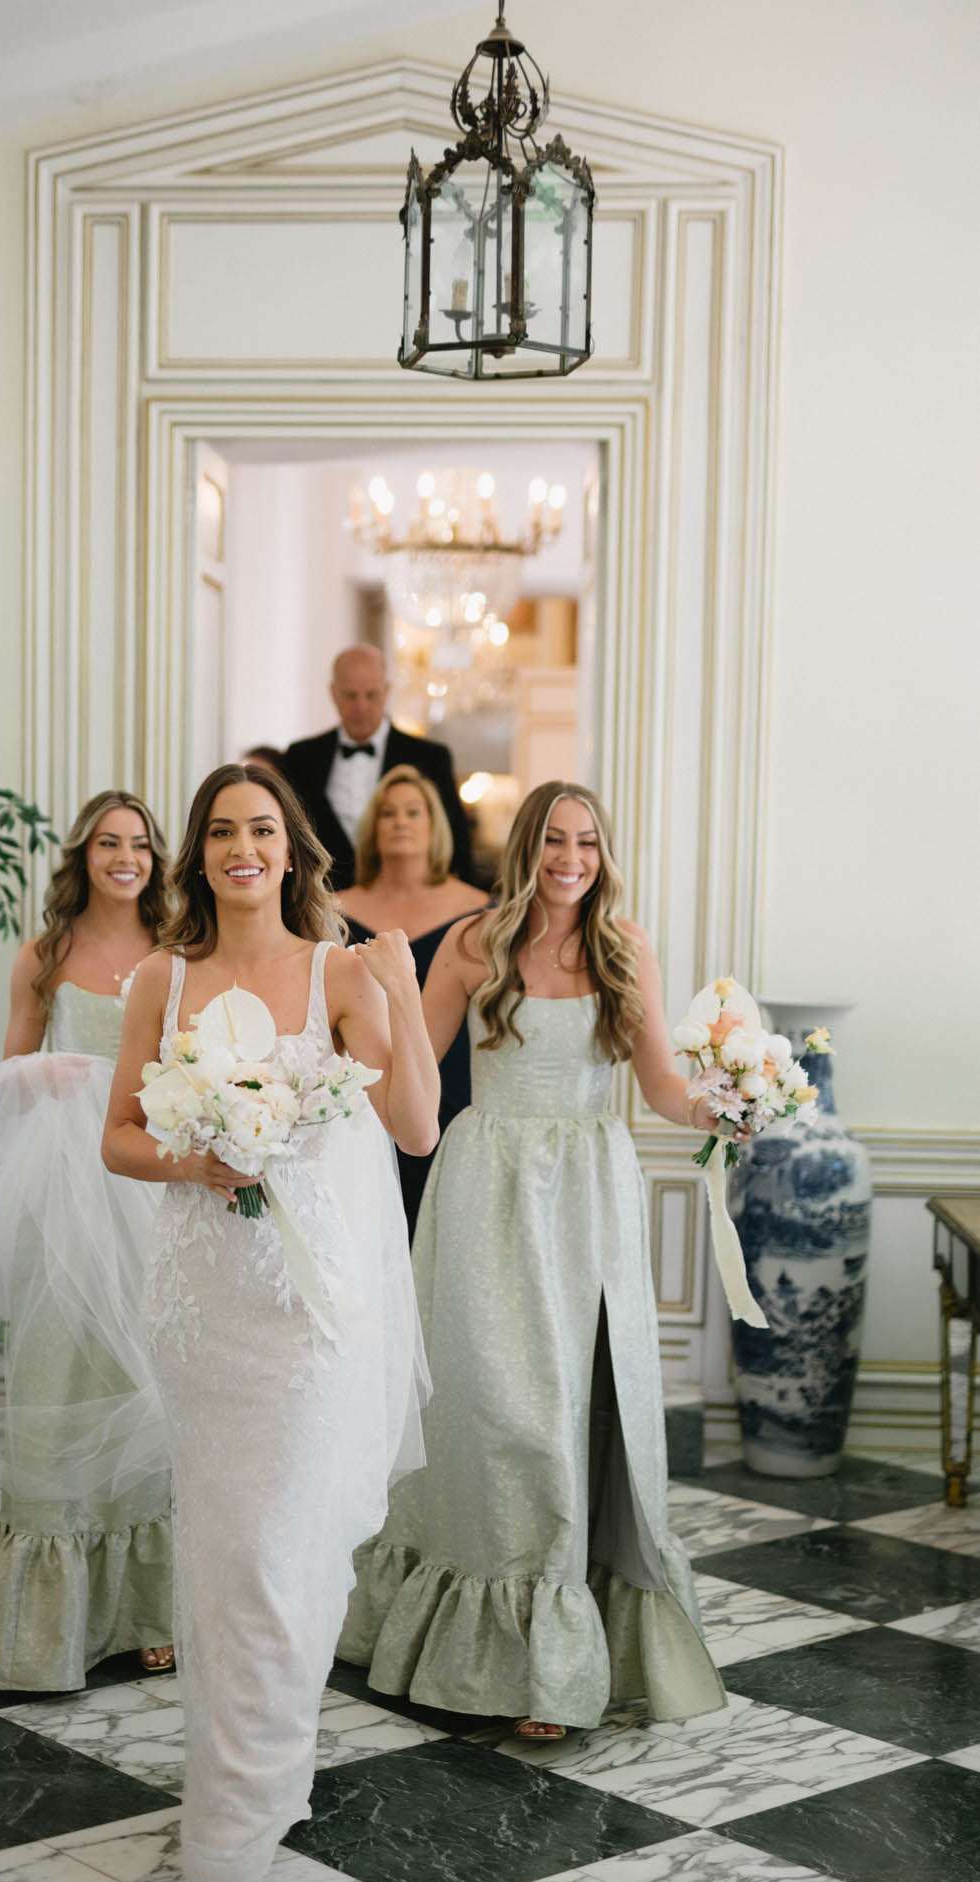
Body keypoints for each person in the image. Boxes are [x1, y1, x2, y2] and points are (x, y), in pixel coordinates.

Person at [103, 761, 438, 1882]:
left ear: (292, 850)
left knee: (279, 1565)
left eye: (263, 829)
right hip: (206, 1316)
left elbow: (414, 1126)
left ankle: (232, 1844)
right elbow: (118, 1139)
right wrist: (201, 1157)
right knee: (220, 1557)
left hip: (310, 1317)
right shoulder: (161, 976)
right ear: (197, 855)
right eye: (222, 831)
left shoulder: (341, 970)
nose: (243, 847)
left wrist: (397, 994)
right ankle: (244, 1784)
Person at [339, 781, 729, 1741]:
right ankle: (498, 1643)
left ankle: (557, 1643)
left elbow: (663, 1086)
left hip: (591, 1192)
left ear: (602, 852)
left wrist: (724, 1110)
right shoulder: (474, 943)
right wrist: (352, 1033)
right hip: (486, 1190)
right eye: (555, 839)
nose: (571, 858)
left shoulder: (623, 947)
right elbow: (411, 1076)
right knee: (496, 1409)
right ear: (527, 845)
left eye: (587, 842)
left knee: (573, 1406)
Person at [0, 792, 176, 1690]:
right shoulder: (43, 957)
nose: (125, 858)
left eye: (140, 845)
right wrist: (41, 1069)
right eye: (109, 844)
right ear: (83, 855)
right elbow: (2, 1075)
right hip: (64, 1186)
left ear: (157, 860)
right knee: (57, 1366)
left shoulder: (178, 952)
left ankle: (150, 1607)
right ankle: (46, 1620)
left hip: (146, 1187)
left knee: (147, 1375)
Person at [339, 765, 488, 1233]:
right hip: (359, 1093)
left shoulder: (479, 908)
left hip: (452, 1089)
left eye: (413, 812)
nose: (400, 822)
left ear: (434, 826)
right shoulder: (332, 909)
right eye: (388, 813)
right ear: (373, 829)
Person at [283, 645, 474, 891]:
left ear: (387, 692)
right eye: (350, 695)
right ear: (333, 693)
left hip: (407, 899)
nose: (361, 706)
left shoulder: (430, 757)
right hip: (319, 901)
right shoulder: (300, 757)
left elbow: (456, 843)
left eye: (371, 695)